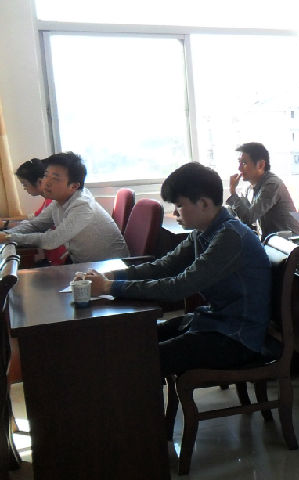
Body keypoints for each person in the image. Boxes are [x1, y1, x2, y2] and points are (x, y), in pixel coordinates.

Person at [84, 162, 271, 378]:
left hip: (236, 338)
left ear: (203, 203)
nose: (174, 212)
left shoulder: (230, 237)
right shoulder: (204, 231)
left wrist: (109, 287)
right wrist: (111, 276)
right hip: (214, 322)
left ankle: (136, 399)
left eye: (179, 205)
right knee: (135, 337)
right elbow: (164, 266)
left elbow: (178, 287)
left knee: (140, 358)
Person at [0, 152, 128, 262]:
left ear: (74, 186)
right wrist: (6, 234)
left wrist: (8, 238)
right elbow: (35, 225)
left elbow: (53, 239)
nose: (46, 182)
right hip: (84, 265)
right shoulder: (58, 201)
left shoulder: (83, 206)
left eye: (55, 178)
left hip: (110, 268)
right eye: (46, 175)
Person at [226, 142, 299, 237]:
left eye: (244, 163)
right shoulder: (248, 188)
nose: (239, 168)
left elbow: (248, 218)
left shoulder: (272, 185)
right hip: (269, 240)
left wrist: (233, 191)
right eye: (239, 162)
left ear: (260, 165)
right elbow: (238, 212)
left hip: (286, 242)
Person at [4, 158, 67, 264]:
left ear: (39, 181)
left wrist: (5, 227)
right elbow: (32, 218)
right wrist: (5, 221)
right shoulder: (48, 200)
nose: (24, 188)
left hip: (59, 259)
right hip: (52, 255)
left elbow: (34, 226)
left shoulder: (52, 201)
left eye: (25, 184)